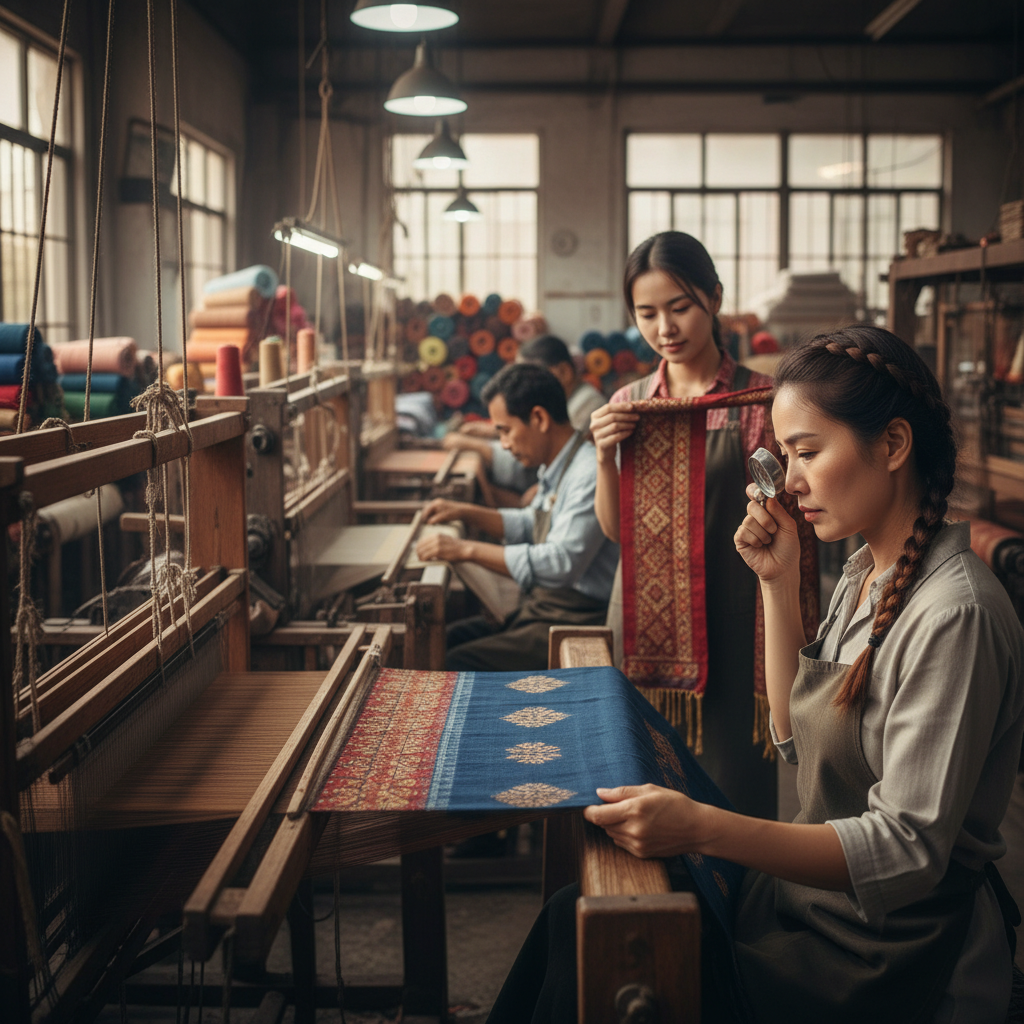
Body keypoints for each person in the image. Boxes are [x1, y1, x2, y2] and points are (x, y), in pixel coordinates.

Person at [488, 326, 1024, 1024]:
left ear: (892, 445)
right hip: (810, 907)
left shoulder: (956, 614)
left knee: (612, 949)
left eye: (807, 452)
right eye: (786, 455)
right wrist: (775, 584)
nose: (791, 480)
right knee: (575, 916)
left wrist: (703, 828)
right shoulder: (866, 574)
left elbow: (904, 850)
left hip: (887, 952)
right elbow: (796, 741)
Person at [590, 230, 783, 819]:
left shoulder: (759, 399)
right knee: (644, 774)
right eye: (646, 313)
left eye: (679, 308)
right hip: (650, 619)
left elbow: (785, 503)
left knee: (735, 784)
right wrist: (604, 457)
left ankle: (744, 907)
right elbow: (617, 532)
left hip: (737, 608)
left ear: (714, 300)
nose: (664, 328)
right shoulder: (630, 404)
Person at [416, 361, 619, 672]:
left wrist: (465, 549)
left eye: (506, 431)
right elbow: (532, 522)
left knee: (455, 661)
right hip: (548, 607)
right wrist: (467, 513)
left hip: (578, 617)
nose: (505, 445)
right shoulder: (560, 467)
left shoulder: (587, 472)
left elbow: (561, 562)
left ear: (539, 418)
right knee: (446, 640)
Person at [442, 334, 605, 503]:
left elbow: (536, 457)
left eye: (530, 375)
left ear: (563, 372)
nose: (520, 385)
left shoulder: (588, 408)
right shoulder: (571, 400)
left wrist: (476, 446)